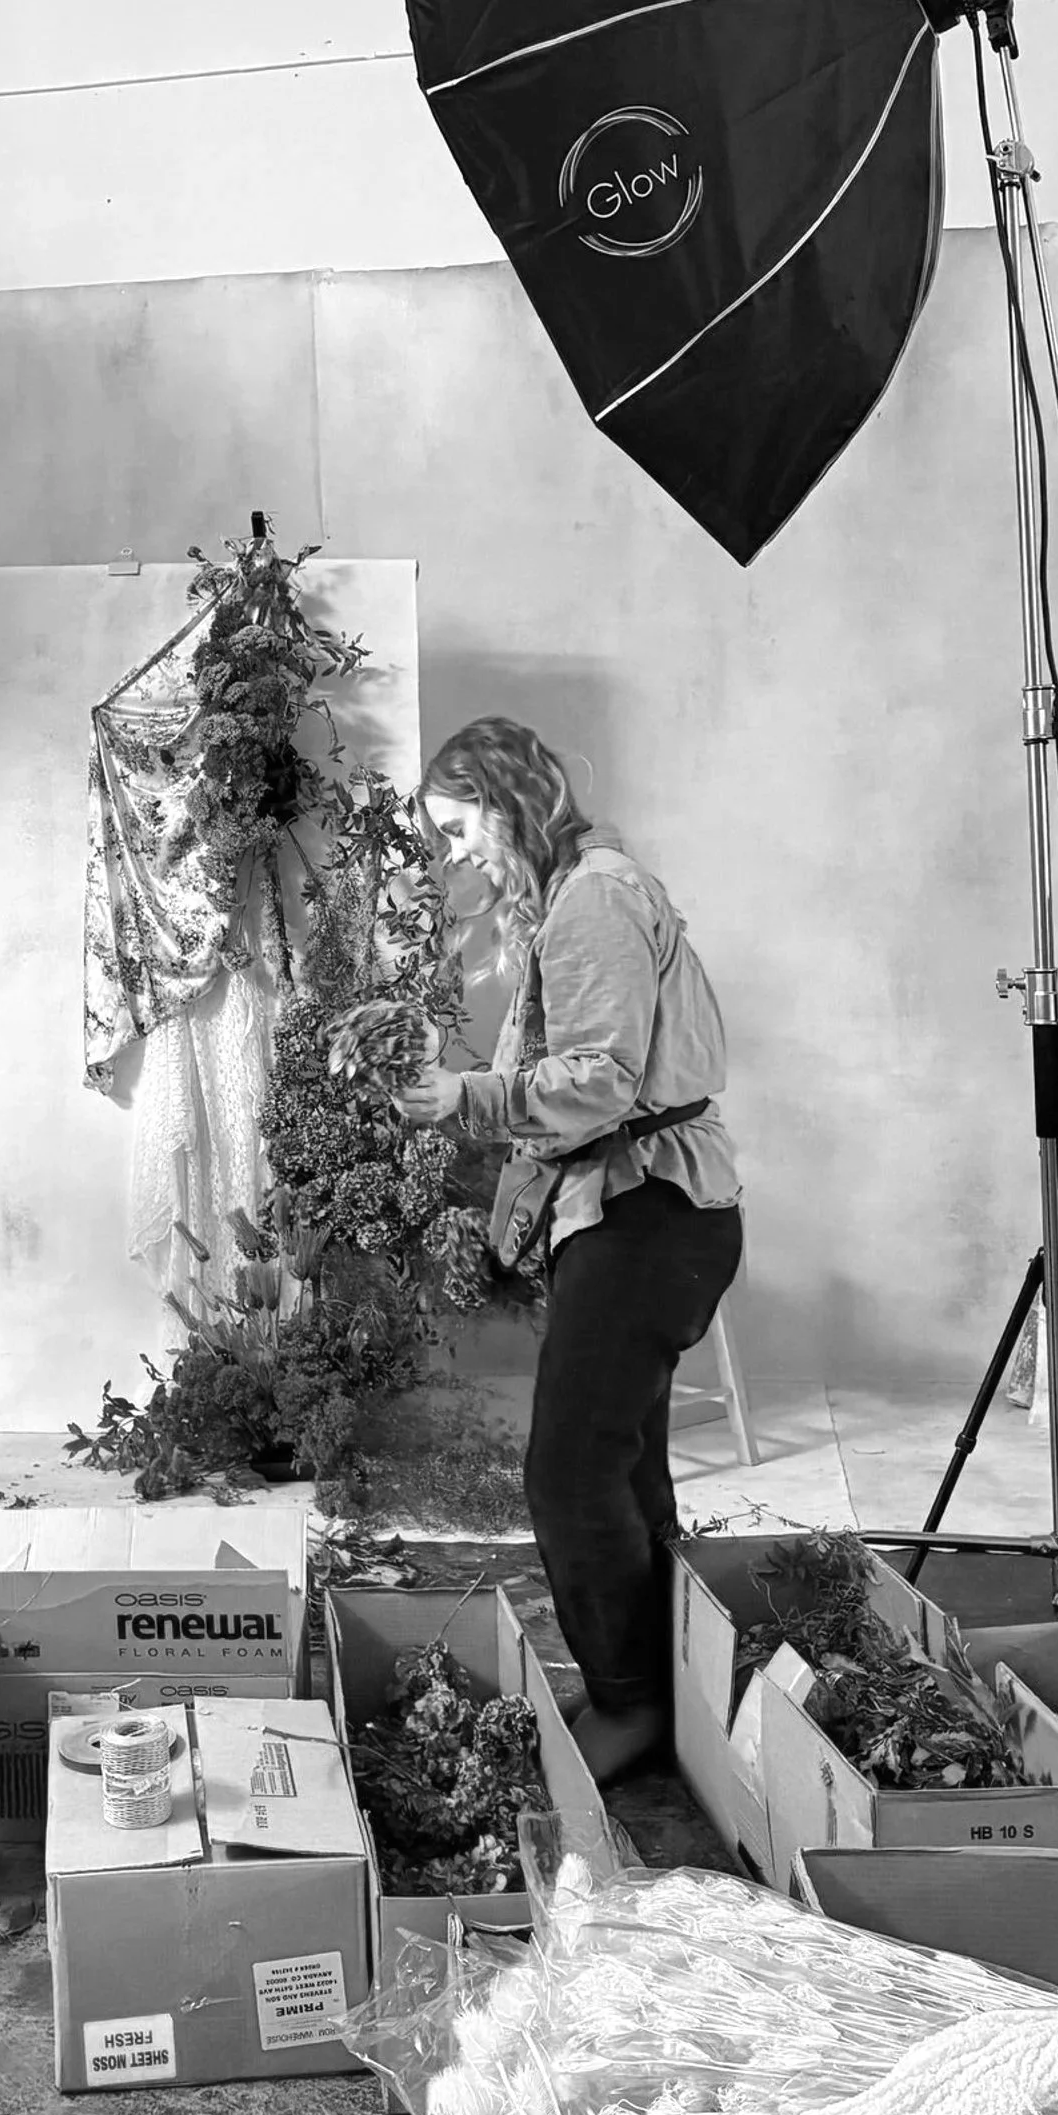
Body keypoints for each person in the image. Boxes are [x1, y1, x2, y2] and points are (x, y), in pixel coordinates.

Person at [397, 716, 742, 1785]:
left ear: (505, 804)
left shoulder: (592, 897)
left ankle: (635, 1703)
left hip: (650, 1216)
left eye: (458, 829)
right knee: (622, 1466)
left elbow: (600, 1079)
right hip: (650, 1213)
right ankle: (660, 1681)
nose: (453, 855)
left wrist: (462, 1098)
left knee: (569, 1472)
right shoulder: (576, 895)